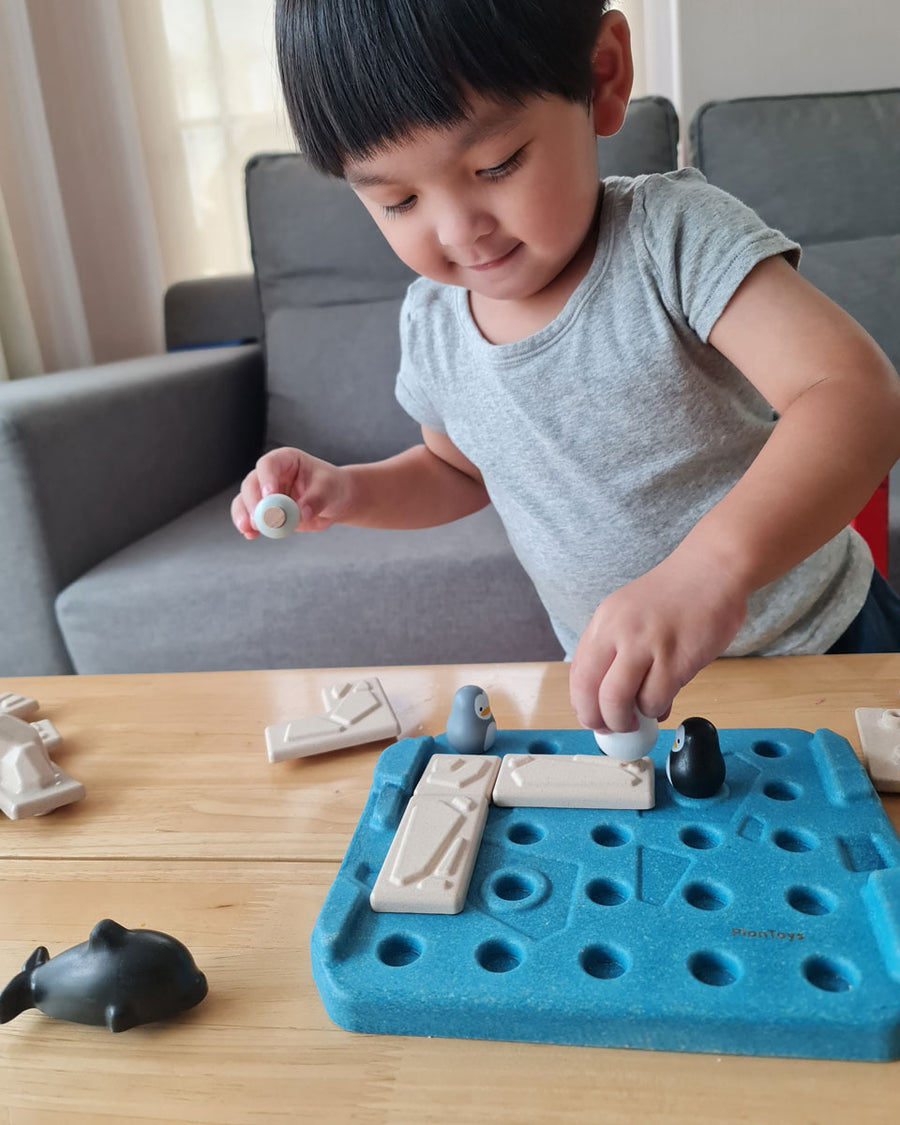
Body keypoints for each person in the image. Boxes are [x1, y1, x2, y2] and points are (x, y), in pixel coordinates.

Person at [232, 0, 900, 734]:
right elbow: (457, 471)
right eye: (399, 200)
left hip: (825, 648)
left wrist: (709, 570)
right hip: (639, 698)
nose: (459, 230)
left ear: (602, 75)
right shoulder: (433, 325)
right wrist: (349, 490)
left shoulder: (670, 240)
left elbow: (854, 392)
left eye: (497, 164)